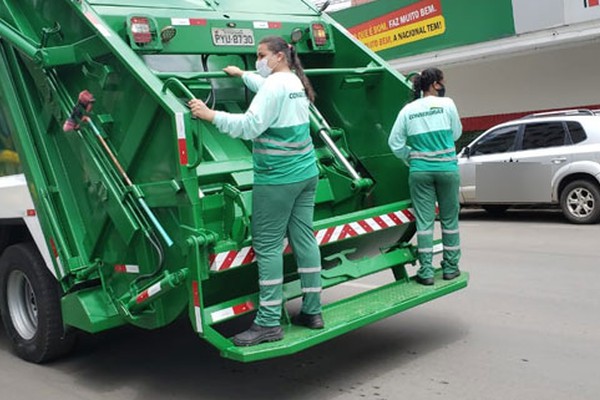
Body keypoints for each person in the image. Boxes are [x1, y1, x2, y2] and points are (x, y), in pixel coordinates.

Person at [188, 36, 324, 346]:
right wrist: (240, 75)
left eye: (261, 55)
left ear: (278, 56)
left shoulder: (274, 86)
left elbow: (249, 126)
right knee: (304, 239)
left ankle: (268, 323)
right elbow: (263, 85)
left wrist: (210, 115)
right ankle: (313, 311)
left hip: (278, 179)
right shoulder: (294, 82)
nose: (257, 60)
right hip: (306, 173)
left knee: (268, 246)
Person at [388, 68, 462, 286]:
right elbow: (456, 133)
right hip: (447, 169)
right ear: (435, 84)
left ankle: (426, 271)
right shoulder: (447, 104)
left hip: (420, 171)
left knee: (424, 222)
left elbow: (394, 143)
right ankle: (450, 267)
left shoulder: (408, 111)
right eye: (442, 81)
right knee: (449, 220)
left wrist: (411, 156)